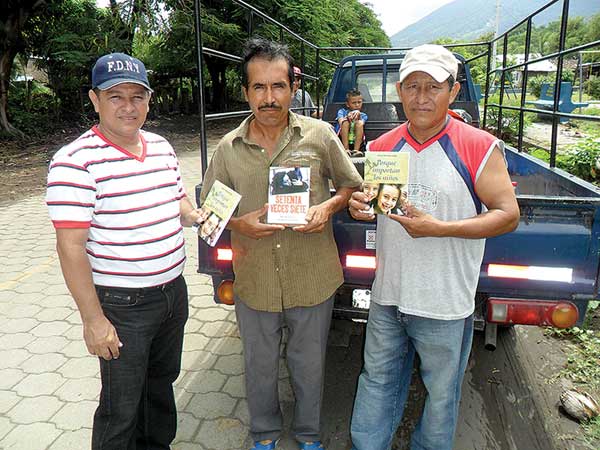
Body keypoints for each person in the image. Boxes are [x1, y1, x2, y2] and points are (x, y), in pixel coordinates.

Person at [348, 44, 520, 450]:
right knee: (375, 382)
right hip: (389, 296)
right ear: (399, 90)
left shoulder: (479, 146)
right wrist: (362, 208)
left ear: (453, 91)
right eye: (411, 86)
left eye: (432, 87)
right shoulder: (381, 146)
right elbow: (382, 208)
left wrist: (439, 228)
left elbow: (507, 214)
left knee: (441, 397)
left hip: (446, 303)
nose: (421, 97)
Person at [200, 37, 362, 450]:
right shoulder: (228, 149)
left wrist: (327, 209)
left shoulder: (321, 136)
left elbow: (349, 185)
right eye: (259, 87)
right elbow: (209, 215)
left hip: (312, 276)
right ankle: (265, 434)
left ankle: (308, 436)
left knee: (309, 366)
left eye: (278, 86)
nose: (269, 98)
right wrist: (240, 224)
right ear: (246, 91)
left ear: (293, 88)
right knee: (258, 366)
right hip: (254, 279)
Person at [46, 52, 205, 450]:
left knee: (159, 390)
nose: (128, 106)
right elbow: (70, 247)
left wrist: (196, 215)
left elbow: (178, 200)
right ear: (94, 100)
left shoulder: (163, 147)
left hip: (172, 295)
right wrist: (93, 320)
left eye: (138, 96)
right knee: (121, 409)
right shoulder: (74, 162)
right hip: (123, 306)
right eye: (115, 96)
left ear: (150, 100)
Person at [335, 89, 368, 156]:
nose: (357, 105)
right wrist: (348, 116)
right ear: (347, 104)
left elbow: (362, 122)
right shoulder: (342, 111)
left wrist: (358, 115)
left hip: (355, 138)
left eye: (359, 102)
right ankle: (346, 149)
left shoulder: (363, 115)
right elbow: (341, 121)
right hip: (342, 138)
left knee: (359, 123)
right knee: (345, 123)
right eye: (354, 103)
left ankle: (356, 151)